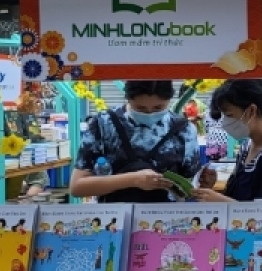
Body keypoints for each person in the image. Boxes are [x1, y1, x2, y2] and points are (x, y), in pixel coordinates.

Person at [70, 81, 201, 203]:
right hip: (115, 220)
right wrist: (132, 180)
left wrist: (204, 182)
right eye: (140, 108)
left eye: (158, 108)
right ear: (128, 99)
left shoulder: (184, 129)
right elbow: (77, 187)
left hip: (165, 220)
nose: (150, 113)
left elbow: (191, 188)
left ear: (169, 100)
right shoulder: (103, 124)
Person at [192, 80, 262, 202]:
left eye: (230, 115)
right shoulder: (247, 147)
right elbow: (241, 199)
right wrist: (211, 189)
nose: (225, 123)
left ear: (252, 111)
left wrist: (219, 201)